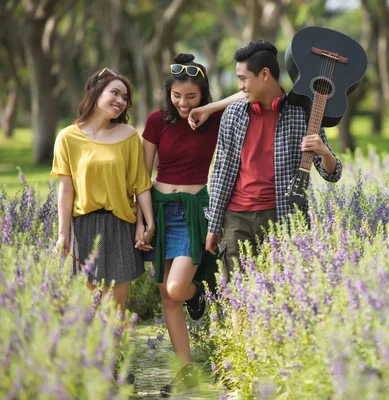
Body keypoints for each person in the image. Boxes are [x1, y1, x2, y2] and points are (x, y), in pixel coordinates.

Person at [139, 53, 245, 397]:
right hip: (160, 209)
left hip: (193, 210)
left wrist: (211, 110)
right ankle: (185, 370)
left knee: (176, 289)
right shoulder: (156, 121)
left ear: (203, 95)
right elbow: (142, 174)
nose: (183, 103)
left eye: (191, 97)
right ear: (167, 94)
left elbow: (247, 94)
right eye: (177, 96)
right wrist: (144, 221)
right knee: (166, 296)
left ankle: (198, 295)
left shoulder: (213, 120)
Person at [205, 40, 343, 279]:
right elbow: (221, 173)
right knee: (237, 294)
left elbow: (332, 173)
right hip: (236, 219)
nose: (240, 86)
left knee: (283, 292)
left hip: (283, 218)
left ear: (265, 75)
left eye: (243, 78)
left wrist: (325, 152)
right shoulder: (233, 114)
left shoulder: (302, 114)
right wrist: (214, 224)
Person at [52, 67, 155, 385]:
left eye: (125, 97)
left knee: (117, 305)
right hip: (84, 227)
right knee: (92, 303)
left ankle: (112, 367)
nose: (121, 101)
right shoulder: (67, 137)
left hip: (120, 226)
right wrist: (62, 234)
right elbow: (66, 190)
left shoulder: (128, 137)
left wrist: (146, 223)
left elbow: (141, 185)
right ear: (96, 93)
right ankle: (93, 367)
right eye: (115, 93)